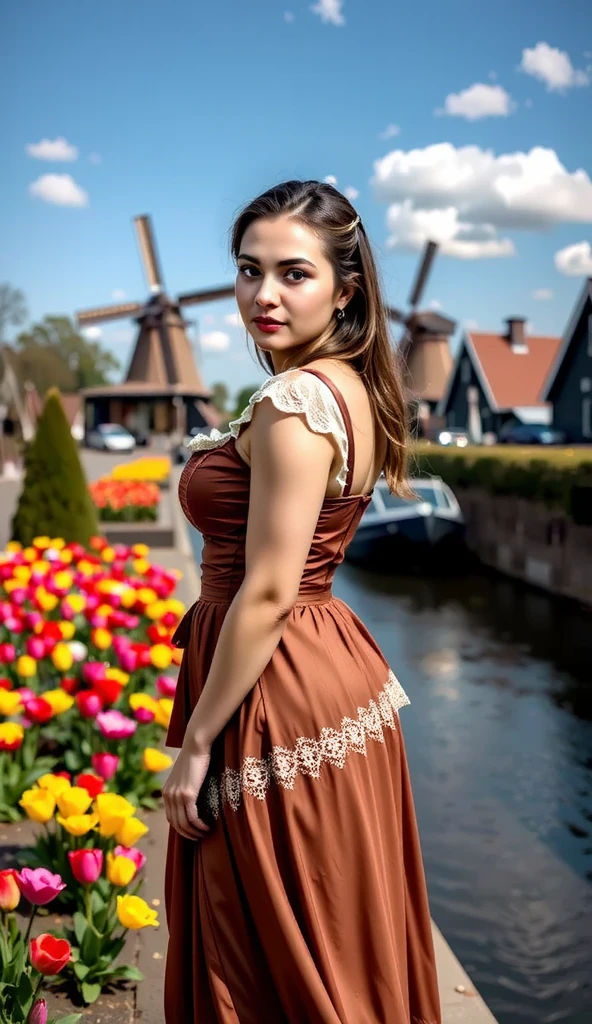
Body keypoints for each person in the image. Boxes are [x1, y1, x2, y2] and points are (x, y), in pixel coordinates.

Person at [163, 180, 442, 1024]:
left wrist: (197, 744)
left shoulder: (294, 402)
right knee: (327, 930)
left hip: (273, 688)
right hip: (331, 670)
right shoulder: (353, 389)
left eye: (293, 273)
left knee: (258, 936)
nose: (263, 295)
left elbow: (273, 588)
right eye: (249, 272)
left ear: (344, 286)